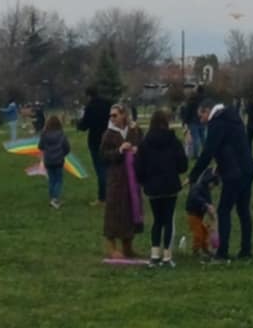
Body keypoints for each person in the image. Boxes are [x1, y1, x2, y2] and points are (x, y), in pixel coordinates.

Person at [189, 101, 253, 262]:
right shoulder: (233, 117)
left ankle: (222, 252)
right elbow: (234, 144)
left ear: (207, 111)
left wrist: (194, 174)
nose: (201, 120)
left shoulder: (217, 123)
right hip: (247, 169)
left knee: (224, 211)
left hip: (233, 174)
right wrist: (220, 164)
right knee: (243, 210)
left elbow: (208, 151)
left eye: (201, 116)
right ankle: (246, 250)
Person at [135, 110, 187, 267]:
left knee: (157, 220)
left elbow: (138, 167)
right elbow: (182, 165)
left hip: (153, 187)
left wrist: (144, 181)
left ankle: (154, 254)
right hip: (170, 185)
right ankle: (167, 256)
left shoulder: (144, 143)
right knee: (168, 219)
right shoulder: (174, 141)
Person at [99, 112, 141, 262]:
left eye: (115, 115)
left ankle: (128, 246)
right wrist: (119, 150)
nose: (112, 117)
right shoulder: (109, 134)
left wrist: (137, 150)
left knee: (129, 210)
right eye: (110, 115)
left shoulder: (133, 131)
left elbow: (141, 145)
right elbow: (103, 155)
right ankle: (112, 247)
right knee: (114, 210)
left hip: (131, 178)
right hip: (116, 178)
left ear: (124, 115)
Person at [77, 87, 111, 201]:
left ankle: (103, 197)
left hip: (95, 140)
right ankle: (113, 193)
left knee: (101, 169)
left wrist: (79, 122)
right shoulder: (108, 103)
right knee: (110, 167)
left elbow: (84, 126)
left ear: (88, 95)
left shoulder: (90, 107)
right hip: (110, 138)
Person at [183, 167, 218, 260]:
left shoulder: (207, 191)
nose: (213, 187)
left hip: (199, 216)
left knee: (205, 232)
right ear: (209, 181)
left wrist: (212, 215)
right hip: (193, 214)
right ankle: (196, 250)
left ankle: (205, 249)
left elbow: (209, 203)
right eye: (213, 184)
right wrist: (205, 204)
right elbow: (195, 197)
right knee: (198, 233)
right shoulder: (197, 187)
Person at [38, 115, 71, 209]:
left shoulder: (44, 134)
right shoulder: (62, 134)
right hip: (59, 161)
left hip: (48, 160)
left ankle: (52, 198)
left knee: (51, 180)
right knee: (58, 180)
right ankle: (55, 199)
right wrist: (63, 154)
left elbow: (40, 146)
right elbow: (67, 147)